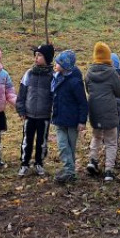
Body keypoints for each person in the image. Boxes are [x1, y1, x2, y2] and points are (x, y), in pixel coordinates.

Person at [85, 42, 120, 181]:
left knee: (96, 136)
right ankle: (109, 170)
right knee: (111, 141)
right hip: (109, 111)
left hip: (94, 110)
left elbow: (88, 89)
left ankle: (93, 160)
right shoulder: (112, 73)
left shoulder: (89, 73)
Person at [16, 43, 54, 177]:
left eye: (40, 55)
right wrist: (21, 110)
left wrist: (53, 112)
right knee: (27, 140)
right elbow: (21, 94)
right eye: (35, 55)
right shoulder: (29, 73)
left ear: (48, 58)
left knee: (42, 141)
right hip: (29, 115)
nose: (36, 58)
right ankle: (24, 163)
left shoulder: (52, 76)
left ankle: (39, 163)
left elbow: (54, 96)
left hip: (44, 115)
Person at [50, 49, 88, 184]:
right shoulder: (56, 78)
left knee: (70, 147)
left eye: (58, 63)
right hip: (59, 119)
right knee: (62, 146)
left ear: (65, 66)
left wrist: (82, 121)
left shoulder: (74, 82)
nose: (55, 64)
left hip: (72, 121)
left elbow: (83, 103)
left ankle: (69, 172)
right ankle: (69, 171)